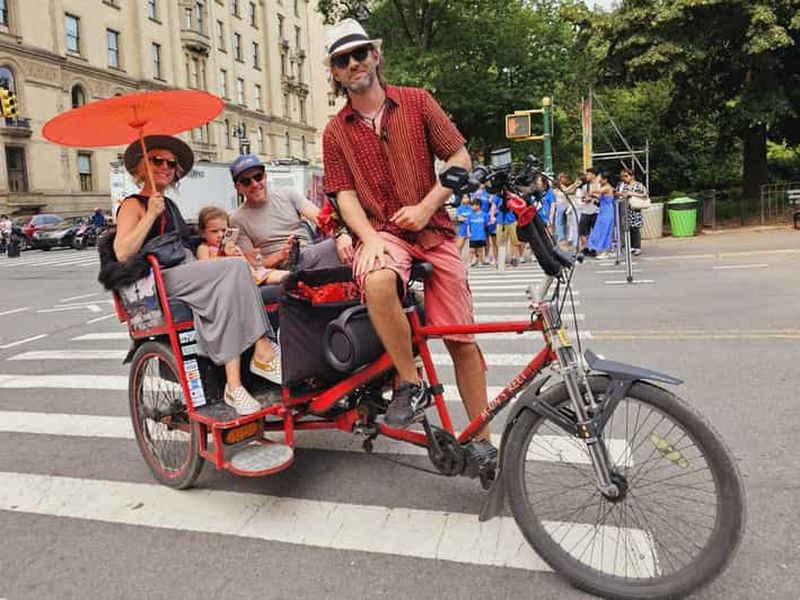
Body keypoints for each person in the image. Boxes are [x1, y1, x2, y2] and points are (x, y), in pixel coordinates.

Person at [321, 18, 495, 462]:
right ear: (336, 72)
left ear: (376, 57)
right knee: (377, 283)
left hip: (433, 229)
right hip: (382, 233)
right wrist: (367, 238)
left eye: (360, 53)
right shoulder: (335, 130)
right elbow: (343, 193)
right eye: (343, 59)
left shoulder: (417, 102)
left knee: (462, 340)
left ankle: (482, 442)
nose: (355, 63)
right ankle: (410, 383)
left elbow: (459, 156)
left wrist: (426, 205)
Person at [113, 135, 281, 416]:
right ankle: (263, 351)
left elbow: (191, 246)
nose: (165, 166)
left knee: (231, 285)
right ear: (141, 167)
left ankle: (234, 385)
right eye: (157, 160)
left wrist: (224, 248)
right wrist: (150, 215)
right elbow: (122, 251)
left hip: (185, 271)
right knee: (235, 270)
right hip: (159, 279)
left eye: (171, 162)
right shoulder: (135, 204)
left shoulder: (171, 205)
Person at [229, 154, 354, 271]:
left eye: (258, 177)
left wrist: (341, 234)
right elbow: (253, 265)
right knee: (341, 246)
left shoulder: (287, 194)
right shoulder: (237, 220)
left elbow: (321, 218)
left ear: (265, 176)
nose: (255, 184)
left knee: (352, 238)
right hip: (287, 267)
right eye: (246, 182)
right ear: (238, 188)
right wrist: (281, 255)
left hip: (309, 253)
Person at [196, 206, 290, 284]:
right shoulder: (203, 248)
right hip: (227, 279)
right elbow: (207, 269)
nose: (220, 235)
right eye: (214, 231)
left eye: (224, 230)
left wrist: (239, 254)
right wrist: (226, 256)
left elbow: (246, 264)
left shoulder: (231, 246)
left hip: (248, 274)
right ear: (202, 233)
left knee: (272, 274)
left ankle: (293, 277)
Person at [617, 167, 647, 256]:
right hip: (626, 209)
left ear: (632, 176)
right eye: (623, 176)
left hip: (635, 209)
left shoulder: (638, 185)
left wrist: (632, 194)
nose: (624, 178)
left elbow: (644, 195)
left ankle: (637, 247)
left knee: (635, 229)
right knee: (628, 228)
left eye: (626, 176)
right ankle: (631, 246)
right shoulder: (624, 185)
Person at [585, 170, 615, 259]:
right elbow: (596, 195)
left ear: (605, 180)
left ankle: (604, 251)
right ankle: (606, 250)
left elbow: (593, 191)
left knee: (604, 231)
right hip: (603, 210)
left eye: (601, 179)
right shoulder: (605, 187)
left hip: (607, 211)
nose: (600, 181)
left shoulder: (607, 187)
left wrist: (596, 181)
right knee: (601, 230)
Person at [466, 198, 489, 267]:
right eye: (472, 205)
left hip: (481, 235)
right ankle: (469, 262)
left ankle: (480, 262)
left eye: (473, 205)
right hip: (473, 236)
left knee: (480, 249)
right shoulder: (470, 215)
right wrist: (468, 233)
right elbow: (468, 225)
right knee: (471, 250)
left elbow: (486, 225)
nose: (472, 207)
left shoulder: (484, 215)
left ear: (478, 206)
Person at [454, 193, 471, 259]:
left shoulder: (472, 207)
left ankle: (473, 260)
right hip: (463, 228)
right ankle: (458, 259)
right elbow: (459, 218)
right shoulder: (459, 208)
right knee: (459, 246)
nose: (465, 199)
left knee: (473, 246)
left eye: (467, 197)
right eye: (464, 198)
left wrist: (465, 218)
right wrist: (466, 219)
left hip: (472, 228)